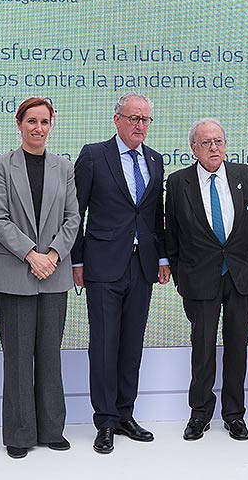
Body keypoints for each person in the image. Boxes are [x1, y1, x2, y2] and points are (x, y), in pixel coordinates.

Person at [71, 92, 171, 454]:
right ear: (117, 120)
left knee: (131, 344)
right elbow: (75, 213)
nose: (140, 126)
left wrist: (161, 258)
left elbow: (154, 214)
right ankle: (106, 420)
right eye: (133, 118)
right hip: (101, 265)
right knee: (104, 343)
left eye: (145, 120)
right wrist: (77, 262)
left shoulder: (156, 160)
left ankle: (126, 414)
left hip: (141, 265)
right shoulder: (94, 155)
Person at [0, 97, 79, 459]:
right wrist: (32, 255)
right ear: (19, 124)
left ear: (52, 124)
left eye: (44, 121)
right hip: (15, 273)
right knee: (19, 357)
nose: (38, 128)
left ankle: (52, 429)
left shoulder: (64, 167)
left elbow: (73, 219)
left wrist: (53, 255)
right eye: (31, 121)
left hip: (54, 274)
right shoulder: (0, 166)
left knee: (49, 354)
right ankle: (20, 434)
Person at [165, 118, 248, 442]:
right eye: (206, 143)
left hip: (240, 277)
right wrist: (180, 276)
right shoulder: (178, 183)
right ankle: (200, 413)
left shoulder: (245, 175)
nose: (214, 148)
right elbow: (172, 235)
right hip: (199, 279)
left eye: (218, 141)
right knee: (202, 348)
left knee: (237, 347)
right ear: (194, 148)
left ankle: (234, 415)